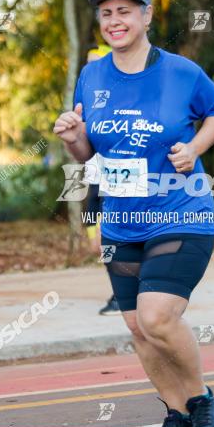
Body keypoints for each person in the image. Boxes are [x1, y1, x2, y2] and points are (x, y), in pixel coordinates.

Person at [53, 0, 214, 427]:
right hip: (121, 220)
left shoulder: (181, 72)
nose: (115, 21)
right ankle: (175, 413)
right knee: (137, 327)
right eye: (106, 12)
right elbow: (88, 154)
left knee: (157, 316)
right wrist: (74, 137)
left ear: (147, 15)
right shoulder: (92, 74)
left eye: (125, 11)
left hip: (180, 211)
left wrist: (194, 148)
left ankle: (200, 398)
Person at [84, 45, 120, 317]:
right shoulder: (88, 97)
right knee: (99, 241)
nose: (92, 68)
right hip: (97, 174)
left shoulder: (126, 97)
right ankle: (123, 290)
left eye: (97, 62)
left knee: (113, 238)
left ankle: (123, 294)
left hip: (122, 173)